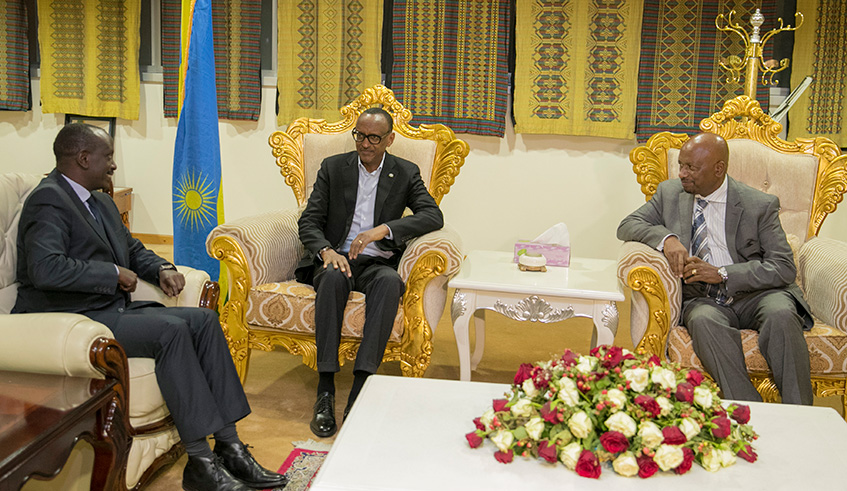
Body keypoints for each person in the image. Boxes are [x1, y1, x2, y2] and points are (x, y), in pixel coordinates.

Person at [13, 123, 288, 491]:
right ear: (83, 158)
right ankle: (200, 462)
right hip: (71, 321)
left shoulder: (101, 201)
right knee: (170, 331)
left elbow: (132, 248)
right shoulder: (48, 200)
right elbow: (46, 269)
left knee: (205, 321)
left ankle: (230, 446)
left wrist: (161, 269)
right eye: (107, 157)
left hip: (107, 310)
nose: (113, 166)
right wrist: (112, 274)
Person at [617, 132, 813, 405]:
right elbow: (627, 225)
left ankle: (801, 413)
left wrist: (722, 274)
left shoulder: (758, 204)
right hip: (703, 297)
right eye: (681, 165)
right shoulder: (670, 193)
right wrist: (668, 239)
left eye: (691, 168)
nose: (682, 173)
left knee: (781, 314)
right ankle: (749, 408)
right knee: (703, 320)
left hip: (758, 294)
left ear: (718, 169)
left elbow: (783, 267)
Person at [297, 107, 444, 437]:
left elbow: (433, 215)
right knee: (333, 278)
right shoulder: (334, 168)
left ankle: (361, 389)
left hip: (378, 262)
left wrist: (383, 230)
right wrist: (326, 251)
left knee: (391, 283)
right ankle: (325, 390)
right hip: (337, 258)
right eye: (360, 135)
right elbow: (308, 221)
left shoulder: (405, 172)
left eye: (374, 137)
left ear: (389, 139)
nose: (365, 143)